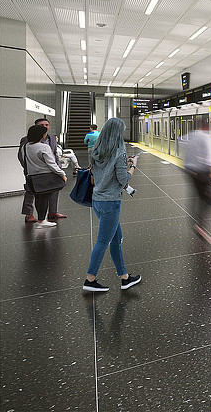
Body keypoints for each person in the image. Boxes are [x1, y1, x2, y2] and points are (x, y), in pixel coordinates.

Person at [83, 118, 141, 292]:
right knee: (102, 242)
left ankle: (124, 278)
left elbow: (99, 172)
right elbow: (124, 179)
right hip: (111, 203)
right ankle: (90, 280)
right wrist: (133, 165)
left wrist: (125, 163)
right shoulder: (119, 152)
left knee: (116, 239)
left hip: (97, 201)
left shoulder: (96, 150)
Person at [19, 117, 66, 223]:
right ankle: (29, 214)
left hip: (51, 170)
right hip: (33, 172)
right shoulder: (26, 140)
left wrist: (58, 167)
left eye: (46, 125)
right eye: (42, 125)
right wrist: (29, 168)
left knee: (54, 190)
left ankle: (53, 212)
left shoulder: (52, 138)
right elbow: (22, 156)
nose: (45, 127)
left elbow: (54, 154)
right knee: (31, 192)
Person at [183, 121, 211, 221]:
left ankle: (198, 218)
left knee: (199, 194)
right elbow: (206, 155)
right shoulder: (204, 138)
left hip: (190, 170)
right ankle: (203, 216)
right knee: (206, 194)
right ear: (205, 128)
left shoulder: (191, 137)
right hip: (202, 171)